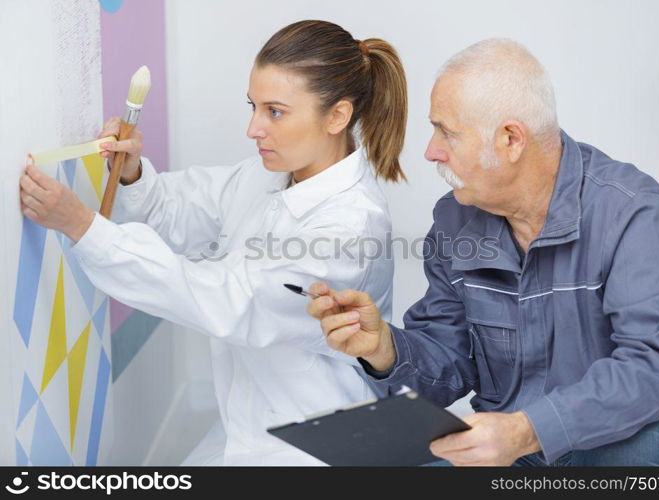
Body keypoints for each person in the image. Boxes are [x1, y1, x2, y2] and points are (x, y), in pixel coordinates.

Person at [18, 20, 408, 465]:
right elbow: (180, 209)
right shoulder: (265, 175)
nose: (253, 129)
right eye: (253, 107)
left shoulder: (351, 226)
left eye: (274, 112)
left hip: (318, 442)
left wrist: (82, 226)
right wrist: (131, 171)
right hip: (247, 425)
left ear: (337, 116)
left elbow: (231, 300)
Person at [307, 38, 659, 466]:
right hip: (514, 452)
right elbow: (449, 359)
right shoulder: (456, 222)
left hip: (621, 441)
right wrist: (384, 348)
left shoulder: (631, 214)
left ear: (512, 139)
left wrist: (528, 430)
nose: (431, 151)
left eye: (447, 132)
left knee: (645, 451)